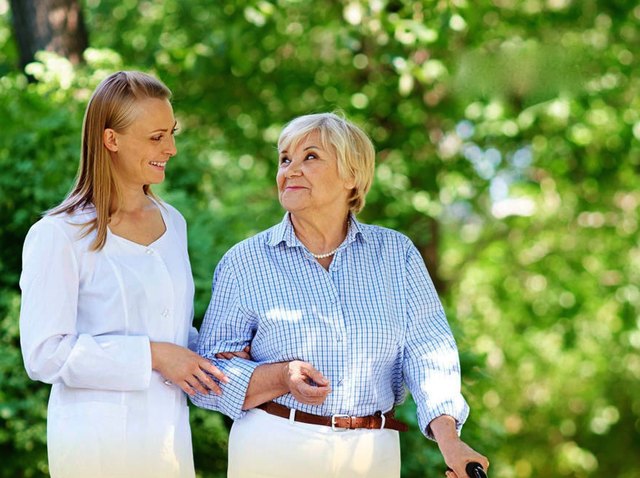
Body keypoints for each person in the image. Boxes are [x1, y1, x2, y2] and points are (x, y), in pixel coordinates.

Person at [191, 112, 489, 478]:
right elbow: (207, 376)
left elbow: (429, 351)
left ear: (352, 175)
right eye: (285, 159)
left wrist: (450, 441)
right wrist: (281, 376)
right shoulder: (245, 262)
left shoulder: (397, 254)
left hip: (372, 455)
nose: (291, 169)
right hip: (274, 448)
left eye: (310, 157)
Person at [19, 71, 231, 478]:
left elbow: (174, 331)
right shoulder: (59, 234)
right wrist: (152, 355)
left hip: (169, 445)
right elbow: (44, 354)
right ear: (110, 139)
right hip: (96, 449)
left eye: (172, 133)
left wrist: (222, 353)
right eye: (156, 137)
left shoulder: (173, 223)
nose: (171, 148)